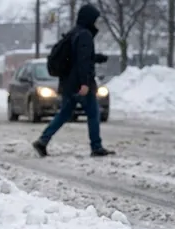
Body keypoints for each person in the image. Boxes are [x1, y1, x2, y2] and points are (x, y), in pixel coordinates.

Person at [32, 4, 115, 158]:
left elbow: (77, 58)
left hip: (68, 83)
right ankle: (96, 147)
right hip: (80, 83)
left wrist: (96, 58)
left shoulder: (73, 33)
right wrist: (84, 83)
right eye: (94, 19)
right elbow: (82, 61)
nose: (95, 23)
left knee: (64, 114)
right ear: (89, 19)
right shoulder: (85, 35)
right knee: (93, 113)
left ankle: (42, 141)